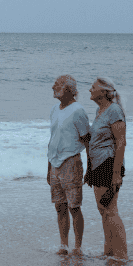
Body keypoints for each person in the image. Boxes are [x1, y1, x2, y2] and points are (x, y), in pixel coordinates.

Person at [47, 75, 91, 256]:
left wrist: (90, 167)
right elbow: (52, 139)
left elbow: (87, 140)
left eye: (57, 85)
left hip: (71, 161)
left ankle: (78, 247)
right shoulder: (54, 109)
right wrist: (48, 167)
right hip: (55, 163)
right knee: (59, 206)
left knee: (74, 206)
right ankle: (63, 245)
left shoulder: (78, 111)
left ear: (68, 89)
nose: (52, 87)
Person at [85, 76, 128, 260]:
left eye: (93, 87)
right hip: (98, 164)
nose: (89, 90)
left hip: (109, 164)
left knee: (110, 210)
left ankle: (121, 255)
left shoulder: (114, 110)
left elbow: (121, 142)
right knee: (103, 209)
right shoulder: (99, 110)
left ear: (103, 91)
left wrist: (116, 174)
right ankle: (109, 252)